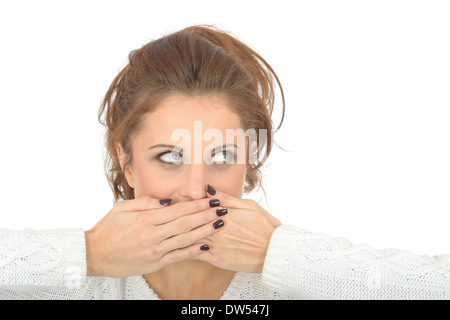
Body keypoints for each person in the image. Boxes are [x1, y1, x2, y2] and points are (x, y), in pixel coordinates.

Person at [0, 25, 449, 300]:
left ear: (249, 162)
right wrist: (89, 253)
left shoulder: (299, 280)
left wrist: (286, 255)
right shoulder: (70, 282)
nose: (196, 190)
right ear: (127, 163)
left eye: (222, 156)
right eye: (170, 156)